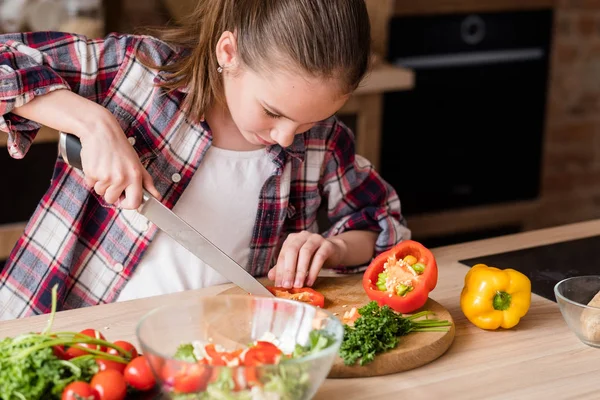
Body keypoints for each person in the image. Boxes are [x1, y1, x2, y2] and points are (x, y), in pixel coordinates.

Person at [0, 0, 410, 320]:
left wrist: (334, 248)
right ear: (228, 53)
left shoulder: (322, 140)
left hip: (210, 356)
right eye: (273, 111)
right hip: (61, 335)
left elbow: (380, 224)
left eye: (309, 121)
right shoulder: (135, 72)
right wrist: (93, 124)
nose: (287, 137)